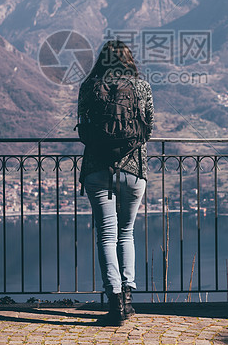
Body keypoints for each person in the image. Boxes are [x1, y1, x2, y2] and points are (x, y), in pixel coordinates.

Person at [77, 40, 153, 326]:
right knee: (127, 233)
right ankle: (130, 300)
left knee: (106, 235)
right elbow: (149, 127)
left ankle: (115, 303)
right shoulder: (141, 86)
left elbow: (82, 129)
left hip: (97, 168)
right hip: (134, 169)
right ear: (128, 59)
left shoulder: (89, 86)